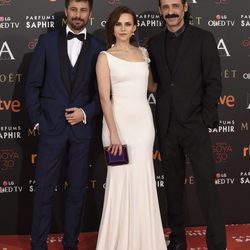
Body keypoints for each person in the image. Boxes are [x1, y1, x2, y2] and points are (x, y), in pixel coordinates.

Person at [25, 0, 105, 249]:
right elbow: (32, 85)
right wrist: (38, 122)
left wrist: (84, 112)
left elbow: (102, 93)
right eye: (74, 9)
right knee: (44, 190)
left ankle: (71, 242)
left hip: (82, 131)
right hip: (51, 130)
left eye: (83, 10)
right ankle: (38, 244)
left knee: (77, 193)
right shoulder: (46, 42)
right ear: (67, 11)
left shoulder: (99, 48)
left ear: (90, 14)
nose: (78, 15)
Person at [147, 0, 227, 249]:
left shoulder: (204, 38)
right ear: (160, 10)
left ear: (185, 8)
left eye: (175, 5)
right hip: (167, 125)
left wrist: (204, 118)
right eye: (165, 6)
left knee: (206, 186)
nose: (170, 11)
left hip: (195, 124)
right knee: (172, 187)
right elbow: (158, 84)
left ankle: (217, 243)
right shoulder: (154, 43)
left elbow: (213, 82)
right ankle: (178, 239)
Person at [95, 5, 166, 250]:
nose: (123, 29)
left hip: (144, 125)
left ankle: (145, 242)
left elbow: (152, 87)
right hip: (118, 125)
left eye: (128, 24)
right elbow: (105, 98)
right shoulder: (105, 57)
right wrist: (113, 133)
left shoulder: (143, 53)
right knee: (120, 180)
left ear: (134, 27)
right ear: (112, 28)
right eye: (118, 24)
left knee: (143, 179)